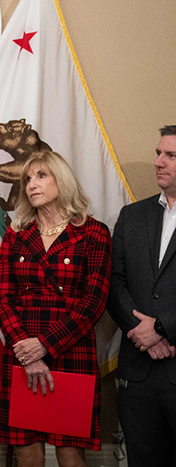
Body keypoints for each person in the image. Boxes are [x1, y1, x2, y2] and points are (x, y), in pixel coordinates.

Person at [0, 150, 111, 466]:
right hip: (22, 351)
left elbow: (94, 302)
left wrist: (44, 345)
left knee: (70, 452)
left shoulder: (93, 232)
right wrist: (28, 351)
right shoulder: (16, 234)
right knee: (26, 449)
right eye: (27, 179)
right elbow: (3, 298)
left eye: (41, 176)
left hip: (70, 349)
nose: (31, 184)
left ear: (63, 180)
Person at [108, 125, 176, 467]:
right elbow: (114, 283)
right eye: (158, 153)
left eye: (170, 156)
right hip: (138, 373)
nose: (158, 162)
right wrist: (144, 334)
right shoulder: (132, 216)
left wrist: (162, 328)